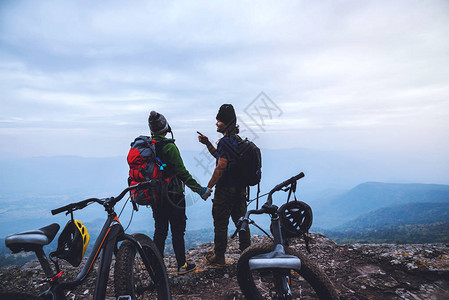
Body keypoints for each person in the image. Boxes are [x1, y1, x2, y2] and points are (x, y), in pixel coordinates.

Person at [148, 110, 212, 275]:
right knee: (177, 230)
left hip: (156, 195)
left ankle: (156, 267)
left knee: (160, 230)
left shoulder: (149, 146)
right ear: (166, 128)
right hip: (174, 196)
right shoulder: (169, 146)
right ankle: (182, 265)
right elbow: (182, 173)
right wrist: (200, 190)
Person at [197, 104, 251, 266]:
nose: (216, 123)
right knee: (241, 222)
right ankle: (247, 254)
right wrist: (208, 144)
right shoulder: (236, 141)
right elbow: (222, 158)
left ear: (227, 123)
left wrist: (208, 187)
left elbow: (221, 166)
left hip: (225, 190)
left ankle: (219, 256)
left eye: (219, 121)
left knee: (220, 222)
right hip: (240, 189)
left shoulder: (225, 142)